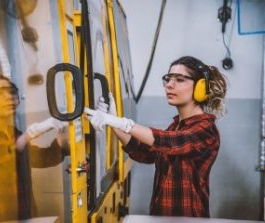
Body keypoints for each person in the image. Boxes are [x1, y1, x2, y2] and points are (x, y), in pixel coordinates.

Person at [84, 56, 227, 217]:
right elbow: (147, 154)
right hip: (163, 216)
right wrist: (114, 124)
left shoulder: (205, 129)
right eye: (168, 79)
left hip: (189, 218)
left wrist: (121, 122)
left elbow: (169, 142)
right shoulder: (176, 127)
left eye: (180, 80)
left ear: (201, 88)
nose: (169, 85)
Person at [0, 72, 69, 222]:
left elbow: (41, 159)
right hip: (1, 218)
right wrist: (32, 132)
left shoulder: (14, 134)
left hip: (27, 215)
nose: (8, 97)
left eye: (10, 91)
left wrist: (62, 142)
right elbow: (5, 157)